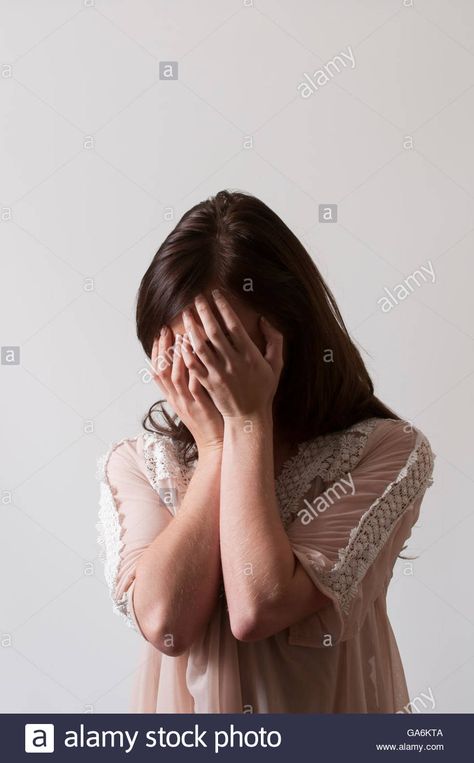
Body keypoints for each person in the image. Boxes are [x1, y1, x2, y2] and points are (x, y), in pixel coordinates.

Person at [96, 189, 435, 713]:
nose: (203, 370)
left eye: (223, 347)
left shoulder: (386, 451)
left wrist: (248, 420)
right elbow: (165, 625)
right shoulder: (140, 463)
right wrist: (214, 447)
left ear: (288, 333)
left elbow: (258, 607)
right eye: (182, 351)